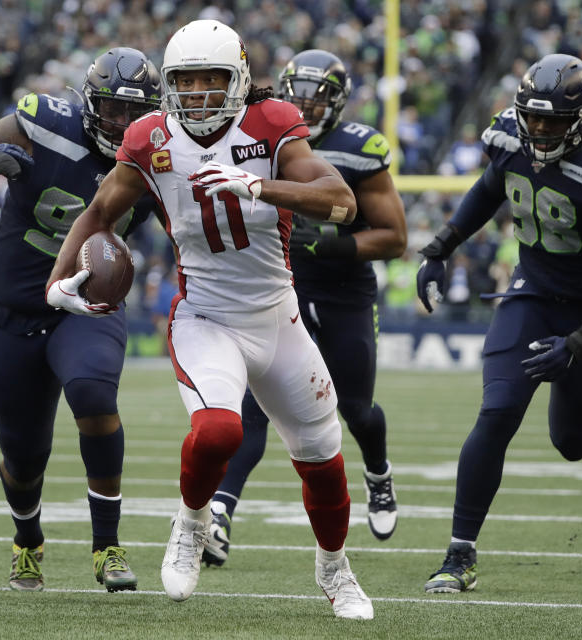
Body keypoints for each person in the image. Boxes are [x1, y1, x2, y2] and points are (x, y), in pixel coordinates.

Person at [46, 20, 373, 620]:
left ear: (239, 79)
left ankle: (334, 569)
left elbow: (342, 201)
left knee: (323, 459)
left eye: (211, 79)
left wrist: (259, 186)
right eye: (185, 80)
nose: (197, 92)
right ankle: (193, 521)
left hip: (278, 317)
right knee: (219, 431)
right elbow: (98, 213)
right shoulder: (150, 137)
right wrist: (57, 281)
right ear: (169, 85)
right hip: (206, 317)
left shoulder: (270, 123)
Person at [415, 54, 582, 594]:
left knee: (573, 443)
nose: (541, 129)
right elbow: (488, 188)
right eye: (534, 117)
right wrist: (440, 248)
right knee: (498, 411)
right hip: (532, 294)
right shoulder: (508, 137)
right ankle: (459, 554)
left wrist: (581, 341)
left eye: (554, 120)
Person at [0, 47, 161, 592]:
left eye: (134, 113)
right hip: (15, 309)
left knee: (94, 394)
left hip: (86, 302)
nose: (123, 124)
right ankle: (27, 540)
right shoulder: (45, 124)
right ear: (87, 103)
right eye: (112, 110)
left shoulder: (159, 155)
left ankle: (107, 546)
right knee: (23, 456)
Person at [202, 49, 407, 569]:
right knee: (251, 411)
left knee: (355, 407)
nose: (308, 107)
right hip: (275, 288)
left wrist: (338, 247)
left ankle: (378, 475)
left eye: (321, 98)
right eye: (300, 95)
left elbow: (395, 237)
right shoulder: (263, 132)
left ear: (340, 102)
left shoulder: (359, 149)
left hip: (342, 292)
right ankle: (221, 514)